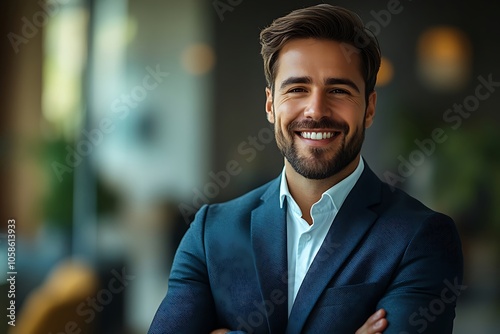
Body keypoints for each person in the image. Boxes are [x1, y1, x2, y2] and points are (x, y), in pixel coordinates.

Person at [148, 4, 464, 333]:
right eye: (297, 89)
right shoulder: (210, 233)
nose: (316, 110)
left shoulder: (421, 237)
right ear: (271, 105)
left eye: (339, 90)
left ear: (369, 109)